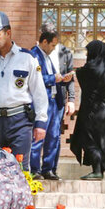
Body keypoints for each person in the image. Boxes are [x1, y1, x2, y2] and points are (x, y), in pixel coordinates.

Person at [0, 11, 48, 171]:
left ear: (8, 33)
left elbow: (39, 92)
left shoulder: (28, 58)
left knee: (20, 169)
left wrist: (41, 122)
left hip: (20, 122)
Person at [29, 23, 75, 180]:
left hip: (56, 101)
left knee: (53, 136)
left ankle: (48, 168)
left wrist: (63, 80)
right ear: (44, 42)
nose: (54, 48)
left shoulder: (51, 56)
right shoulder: (33, 55)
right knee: (38, 135)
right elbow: (34, 78)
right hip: (42, 102)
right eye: (52, 45)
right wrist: (52, 78)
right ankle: (34, 169)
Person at [70, 40, 105, 180]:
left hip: (93, 112)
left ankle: (96, 171)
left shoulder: (91, 68)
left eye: (89, 52)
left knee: (90, 140)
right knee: (102, 142)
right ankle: (99, 171)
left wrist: (74, 71)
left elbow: (81, 74)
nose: (87, 55)